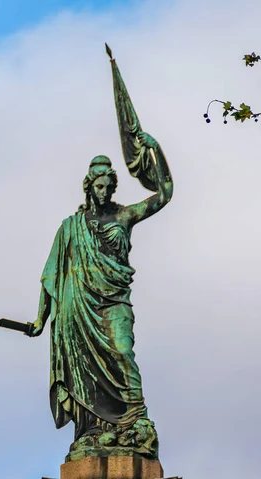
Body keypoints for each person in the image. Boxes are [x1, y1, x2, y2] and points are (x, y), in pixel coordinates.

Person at [27, 130, 173, 459]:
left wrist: (155, 151)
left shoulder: (124, 215)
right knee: (87, 374)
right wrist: (40, 319)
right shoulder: (70, 227)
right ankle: (96, 430)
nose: (104, 192)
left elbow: (164, 193)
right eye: (99, 186)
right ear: (89, 186)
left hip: (114, 301)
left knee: (122, 353)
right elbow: (51, 275)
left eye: (109, 186)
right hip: (78, 306)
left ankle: (137, 421)